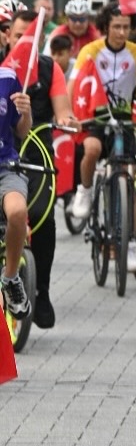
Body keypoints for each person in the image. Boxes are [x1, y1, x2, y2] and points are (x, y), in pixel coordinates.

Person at [67, 2, 136, 279]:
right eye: (116, 27)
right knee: (93, 149)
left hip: (124, 119)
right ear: (105, 27)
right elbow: (73, 84)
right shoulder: (91, 50)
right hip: (95, 117)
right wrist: (69, 114)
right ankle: (84, 190)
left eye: (126, 27)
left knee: (128, 178)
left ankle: (130, 242)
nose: (121, 32)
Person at [6, 10, 78, 329]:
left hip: (36, 150)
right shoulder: (4, 70)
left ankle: (41, 290)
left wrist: (65, 120)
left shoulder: (50, 69)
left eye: (32, 38)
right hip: (3, 152)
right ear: (9, 36)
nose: (26, 42)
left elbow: (63, 110)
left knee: (43, 217)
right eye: (20, 35)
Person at [0, 66, 34, 319]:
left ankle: (11, 278)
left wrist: (26, 111)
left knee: (18, 211)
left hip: (5, 167)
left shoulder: (8, 78)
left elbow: (21, 131)